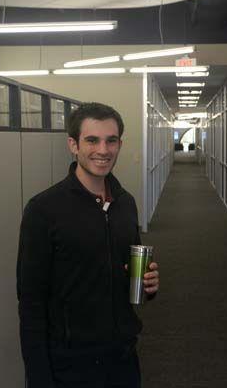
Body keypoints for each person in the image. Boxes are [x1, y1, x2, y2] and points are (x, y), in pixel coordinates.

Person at [17, 102, 160, 388]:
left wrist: (148, 285)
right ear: (73, 144)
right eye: (92, 140)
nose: (103, 150)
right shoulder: (44, 209)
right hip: (71, 364)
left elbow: (127, 273)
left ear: (120, 143)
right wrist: (38, 379)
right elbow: (31, 303)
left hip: (122, 357)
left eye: (111, 140)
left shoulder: (125, 203)